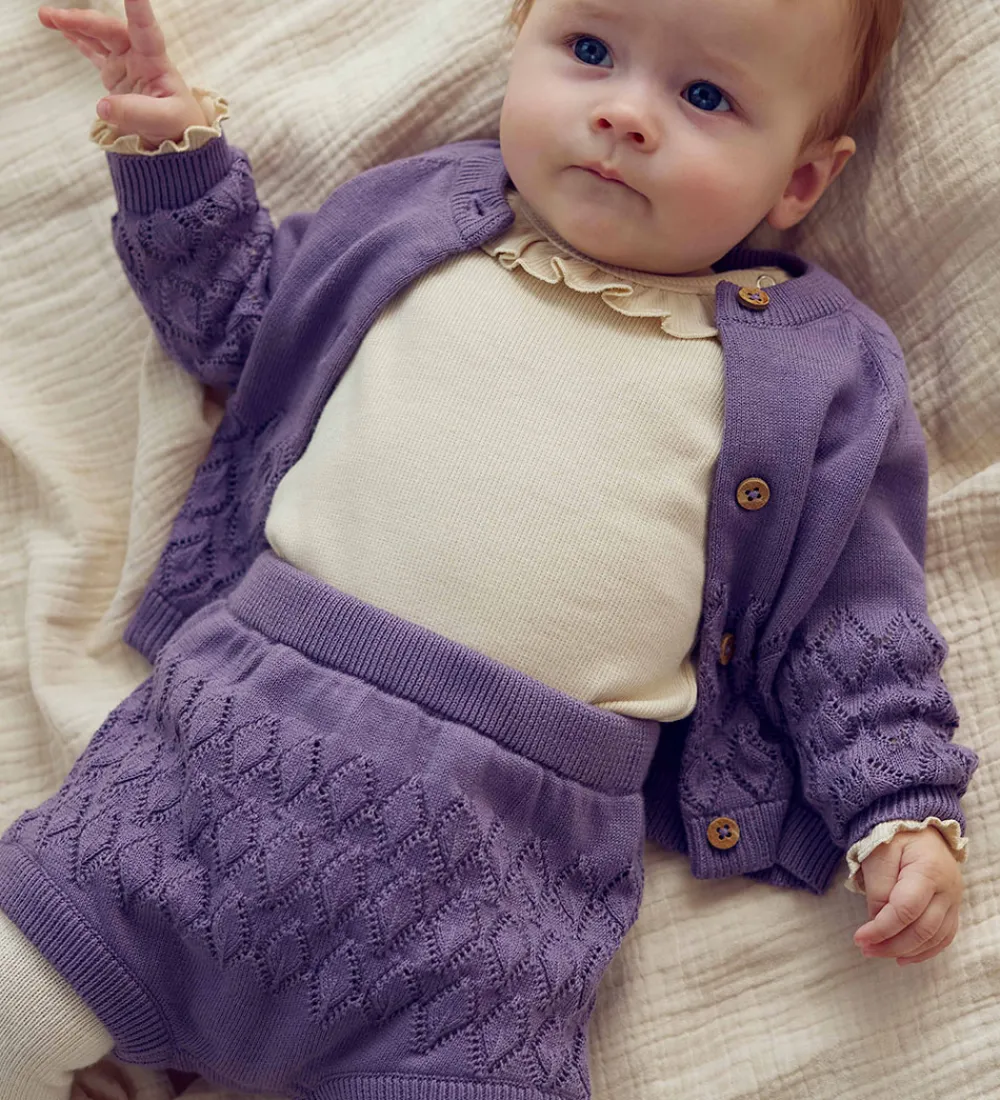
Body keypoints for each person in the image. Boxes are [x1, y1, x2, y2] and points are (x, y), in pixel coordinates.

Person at [0, 0, 980, 1096]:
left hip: (496, 893)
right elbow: (242, 322)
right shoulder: (410, 220)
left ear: (798, 181)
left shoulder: (823, 377)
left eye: (705, 96)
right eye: (590, 51)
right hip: (208, 774)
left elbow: (854, 627)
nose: (625, 115)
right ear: (519, 46)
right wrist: (173, 157)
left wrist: (900, 807)